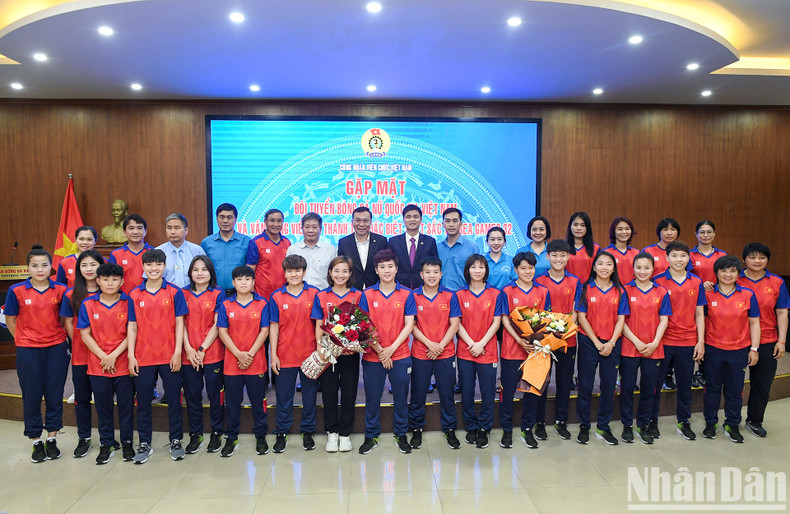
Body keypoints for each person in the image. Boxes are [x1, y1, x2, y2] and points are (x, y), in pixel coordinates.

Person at [4, 246, 69, 463]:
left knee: (54, 394)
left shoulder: (61, 290)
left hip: (56, 348)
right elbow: (10, 320)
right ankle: (36, 441)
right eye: (35, 265)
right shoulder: (16, 290)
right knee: (31, 395)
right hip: (28, 350)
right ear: (28, 268)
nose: (40, 269)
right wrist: (23, 340)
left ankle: (52, 439)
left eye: (44, 265)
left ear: (50, 267)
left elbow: (65, 319)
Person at [127, 249, 188, 464]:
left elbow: (180, 323)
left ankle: (176, 440)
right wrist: (131, 355)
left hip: (169, 356)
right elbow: (132, 326)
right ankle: (145, 442)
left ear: (164, 266)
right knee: (143, 402)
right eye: (149, 264)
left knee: (174, 400)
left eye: (158, 264)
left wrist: (178, 351)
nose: (154, 268)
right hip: (143, 357)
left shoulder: (174, 292)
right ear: (143, 267)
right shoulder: (134, 294)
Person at [358, 249, 417, 454]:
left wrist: (390, 350)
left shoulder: (407, 294)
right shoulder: (367, 294)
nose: (386, 270)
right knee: (372, 398)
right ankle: (371, 435)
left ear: (397, 268)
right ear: (376, 270)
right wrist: (380, 350)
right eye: (382, 267)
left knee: (401, 397)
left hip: (400, 354)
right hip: (373, 356)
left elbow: (409, 325)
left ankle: (401, 434)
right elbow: (363, 325)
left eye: (390, 266)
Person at [76, 263, 135, 464]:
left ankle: (127, 443)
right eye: (106, 279)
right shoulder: (88, 304)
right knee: (103, 408)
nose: (110, 283)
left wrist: (114, 355)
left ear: (122, 281)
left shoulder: (128, 302)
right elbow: (85, 334)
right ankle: (106, 444)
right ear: (98, 281)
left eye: (115, 279)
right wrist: (104, 356)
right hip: (98, 365)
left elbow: (131, 332)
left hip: (122, 364)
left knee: (126, 407)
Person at [702, 255, 761, 443]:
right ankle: (710, 423)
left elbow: (754, 323)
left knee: (735, 390)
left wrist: (754, 349)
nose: (728, 274)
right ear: (716, 273)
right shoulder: (708, 294)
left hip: (739, 351)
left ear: (738, 273)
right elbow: (701, 320)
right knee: (712, 388)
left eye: (732, 271)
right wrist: (700, 344)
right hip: (713, 349)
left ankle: (732, 424)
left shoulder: (748, 294)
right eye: (723, 270)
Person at [652, 241, 706, 440]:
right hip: (663, 341)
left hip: (687, 341)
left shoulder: (696, 282)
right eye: (674, 255)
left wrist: (700, 341)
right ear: (666, 258)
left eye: (683, 255)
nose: (679, 259)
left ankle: (684, 421)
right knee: (656, 384)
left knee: (684, 385)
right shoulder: (657, 280)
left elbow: (700, 313)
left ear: (688, 258)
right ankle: (651, 420)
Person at [575, 250, 628, 445]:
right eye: (600, 263)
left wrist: (611, 342)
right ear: (594, 267)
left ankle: (603, 426)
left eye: (608, 264)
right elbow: (581, 317)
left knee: (608, 386)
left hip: (612, 344)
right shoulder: (585, 288)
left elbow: (621, 319)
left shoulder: (620, 291)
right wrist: (597, 342)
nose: (604, 267)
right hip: (589, 342)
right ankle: (584, 425)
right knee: (585, 385)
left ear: (614, 268)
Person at [408, 257, 462, 450]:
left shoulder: (450, 296)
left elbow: (454, 324)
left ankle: (450, 428)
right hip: (421, 352)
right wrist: (430, 344)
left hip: (445, 353)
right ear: (421, 274)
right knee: (418, 393)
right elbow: (411, 325)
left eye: (435, 272)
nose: (432, 276)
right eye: (428, 272)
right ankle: (416, 428)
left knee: (447, 393)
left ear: (441, 274)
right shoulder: (413, 296)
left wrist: (440, 346)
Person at [217, 266, 271, 457]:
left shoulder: (262, 303)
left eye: (247, 279)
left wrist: (249, 355)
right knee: (232, 403)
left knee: (258, 402)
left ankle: (261, 436)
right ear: (233, 283)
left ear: (253, 282)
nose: (243, 283)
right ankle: (231, 437)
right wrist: (238, 354)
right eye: (239, 279)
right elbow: (222, 331)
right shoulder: (226, 305)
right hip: (232, 364)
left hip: (256, 363)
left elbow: (265, 331)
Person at [269, 255, 321, 453]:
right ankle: (282, 432)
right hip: (285, 355)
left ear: (304, 272)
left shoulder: (314, 294)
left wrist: (319, 352)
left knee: (309, 397)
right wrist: (273, 355)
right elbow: (274, 327)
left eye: (297, 271)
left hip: (309, 356)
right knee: (284, 397)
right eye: (290, 271)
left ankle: (308, 431)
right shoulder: (276, 296)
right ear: (284, 273)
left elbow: (319, 325)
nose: (294, 274)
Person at [737, 242, 789, 437]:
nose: (757, 261)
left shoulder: (776, 282)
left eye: (762, 257)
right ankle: (732, 420)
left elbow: (782, 312)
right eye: (752, 257)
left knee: (762, 384)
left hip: (767, 340)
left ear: (767, 260)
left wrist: (781, 341)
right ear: (744, 260)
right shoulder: (734, 278)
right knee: (734, 384)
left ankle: (754, 420)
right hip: (738, 340)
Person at [500, 252, 550, 449]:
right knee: (508, 390)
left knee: (532, 390)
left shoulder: (543, 291)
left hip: (535, 351)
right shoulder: (507, 291)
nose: (527, 271)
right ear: (516, 270)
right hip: (512, 349)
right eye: (523, 268)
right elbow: (505, 319)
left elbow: (546, 319)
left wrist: (536, 341)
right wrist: (519, 340)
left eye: (531, 268)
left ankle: (527, 428)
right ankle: (506, 429)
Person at [312, 256, 362, 453]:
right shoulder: (321, 296)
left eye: (344, 271)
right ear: (330, 273)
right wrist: (320, 349)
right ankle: (332, 433)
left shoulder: (358, 295)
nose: (340, 275)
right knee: (329, 393)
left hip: (350, 353)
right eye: (336, 271)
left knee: (349, 393)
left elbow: (363, 324)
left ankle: (345, 434)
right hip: (329, 354)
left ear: (350, 274)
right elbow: (318, 324)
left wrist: (355, 342)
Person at [620, 253, 671, 444]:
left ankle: (643, 424)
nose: (642, 271)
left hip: (653, 348)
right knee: (627, 387)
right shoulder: (625, 290)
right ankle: (627, 425)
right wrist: (636, 342)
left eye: (647, 268)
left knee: (649, 388)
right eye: (639, 267)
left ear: (653, 269)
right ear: (633, 268)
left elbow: (664, 320)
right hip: (629, 347)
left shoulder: (661, 291)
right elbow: (621, 321)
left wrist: (655, 342)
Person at [455, 254, 505, 449]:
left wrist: (481, 344)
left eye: (481, 267)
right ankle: (471, 426)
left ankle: (484, 427)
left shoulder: (495, 293)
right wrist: (472, 344)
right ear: (467, 270)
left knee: (487, 391)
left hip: (488, 350)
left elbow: (497, 322)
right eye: (473, 267)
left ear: (486, 270)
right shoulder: (459, 295)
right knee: (467, 391)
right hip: (465, 351)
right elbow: (457, 323)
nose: (477, 271)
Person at [60, 249, 104, 458]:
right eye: (84, 265)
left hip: (105, 355)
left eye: (93, 264)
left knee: (104, 399)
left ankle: (106, 438)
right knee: (83, 398)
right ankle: (84, 437)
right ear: (78, 269)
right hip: (81, 354)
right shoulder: (71, 294)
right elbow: (68, 322)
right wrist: (79, 341)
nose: (89, 269)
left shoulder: (110, 291)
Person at [535, 239, 581, 440]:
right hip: (544, 341)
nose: (558, 259)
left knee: (563, 382)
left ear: (568, 257)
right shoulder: (539, 280)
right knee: (541, 382)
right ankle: (539, 422)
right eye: (554, 255)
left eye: (563, 255)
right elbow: (537, 312)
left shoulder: (575, 281)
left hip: (567, 340)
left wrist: (565, 330)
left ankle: (561, 421)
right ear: (547, 256)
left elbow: (576, 311)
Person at [181, 255, 226, 454]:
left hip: (212, 352)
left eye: (204, 269)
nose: (200, 273)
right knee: (192, 396)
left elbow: (218, 324)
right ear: (190, 273)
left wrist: (202, 349)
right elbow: (180, 323)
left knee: (215, 396)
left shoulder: (218, 293)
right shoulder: (182, 293)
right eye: (196, 269)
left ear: (211, 272)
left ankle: (216, 432)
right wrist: (189, 348)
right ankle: (196, 434)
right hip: (188, 354)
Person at [202, 203, 252, 294]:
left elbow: (251, 269)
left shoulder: (246, 242)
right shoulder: (206, 243)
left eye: (229, 217)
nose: (225, 221)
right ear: (217, 219)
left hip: (239, 293)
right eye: (222, 217)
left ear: (235, 219)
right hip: (213, 292)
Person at [387, 204, 439, 289]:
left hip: (423, 288)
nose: (412, 220)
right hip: (399, 288)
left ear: (421, 219)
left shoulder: (430, 242)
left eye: (415, 217)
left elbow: (435, 265)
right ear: (403, 219)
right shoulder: (393, 242)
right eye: (408, 217)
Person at [337, 206, 388, 290]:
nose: (361, 224)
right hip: (351, 289)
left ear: (371, 222)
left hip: (376, 289)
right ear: (352, 222)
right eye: (358, 220)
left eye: (365, 220)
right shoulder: (344, 242)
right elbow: (341, 267)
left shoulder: (381, 241)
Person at [246, 208, 290, 299]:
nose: (276, 224)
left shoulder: (287, 242)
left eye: (279, 221)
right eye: (272, 220)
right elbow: (250, 271)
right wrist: (252, 295)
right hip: (261, 296)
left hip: (283, 296)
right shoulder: (256, 242)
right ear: (265, 222)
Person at [286, 212, 337, 290]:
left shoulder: (330, 249)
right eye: (307, 227)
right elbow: (288, 274)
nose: (310, 230)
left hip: (323, 293)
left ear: (320, 229)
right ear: (302, 229)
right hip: (298, 294)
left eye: (314, 227)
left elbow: (335, 275)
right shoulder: (293, 249)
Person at [156, 213, 206, 288]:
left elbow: (206, 275)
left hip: (192, 293)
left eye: (177, 228)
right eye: (169, 228)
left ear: (186, 230)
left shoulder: (197, 250)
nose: (172, 232)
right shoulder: (158, 252)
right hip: (166, 294)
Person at [108, 214, 153, 294]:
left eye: (139, 228)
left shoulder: (154, 252)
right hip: (124, 298)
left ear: (145, 231)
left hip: (148, 298)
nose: (135, 232)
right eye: (131, 228)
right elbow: (111, 279)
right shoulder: (116, 254)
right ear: (124, 232)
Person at [437, 208, 480, 291]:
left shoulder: (472, 247)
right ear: (443, 224)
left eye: (455, 221)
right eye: (447, 221)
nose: (451, 224)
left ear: (461, 224)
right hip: (441, 294)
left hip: (464, 294)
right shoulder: (437, 247)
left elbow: (477, 274)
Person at [691, 220, 727, 290]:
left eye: (709, 232)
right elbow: (686, 277)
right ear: (696, 234)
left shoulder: (722, 255)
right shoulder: (689, 255)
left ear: (714, 233)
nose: (706, 235)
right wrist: (700, 285)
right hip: (696, 292)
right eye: (702, 232)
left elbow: (727, 275)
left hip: (718, 293)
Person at [565, 212, 600, 283]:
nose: (578, 228)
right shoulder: (563, 247)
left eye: (582, 225)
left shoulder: (596, 248)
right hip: (567, 287)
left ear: (587, 228)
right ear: (570, 226)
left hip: (589, 287)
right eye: (575, 225)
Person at [604, 217, 639, 285]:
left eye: (627, 229)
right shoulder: (606, 253)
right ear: (613, 231)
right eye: (620, 229)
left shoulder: (636, 252)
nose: (624, 232)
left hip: (633, 290)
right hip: (614, 289)